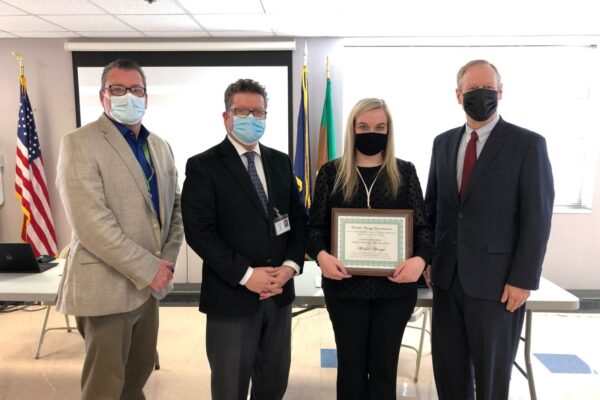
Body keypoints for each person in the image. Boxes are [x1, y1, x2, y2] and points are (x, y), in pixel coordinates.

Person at [424, 59, 554, 400]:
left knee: (492, 382)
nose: (480, 95)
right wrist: (427, 260)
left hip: (498, 287)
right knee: (449, 376)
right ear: (458, 95)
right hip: (447, 281)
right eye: (472, 90)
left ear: (500, 92)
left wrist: (524, 279)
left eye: (487, 89)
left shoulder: (528, 145)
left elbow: (537, 218)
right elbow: (433, 208)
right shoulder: (443, 143)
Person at [55, 58, 184, 399]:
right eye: (118, 89)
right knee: (105, 387)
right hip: (106, 289)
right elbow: (91, 225)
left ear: (147, 96)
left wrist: (165, 263)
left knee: (136, 380)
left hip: (150, 287)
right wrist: (148, 268)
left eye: (136, 89)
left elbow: (175, 210)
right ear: (103, 97)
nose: (129, 96)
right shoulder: (80, 143)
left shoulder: (160, 146)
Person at [181, 78, 307, 400]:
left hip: (279, 296)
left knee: (273, 385)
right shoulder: (203, 166)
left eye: (258, 112)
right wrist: (247, 275)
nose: (251, 118)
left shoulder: (280, 162)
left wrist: (290, 267)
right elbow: (200, 233)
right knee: (229, 389)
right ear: (226, 116)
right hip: (232, 299)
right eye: (242, 111)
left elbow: (299, 220)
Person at [307, 98, 433, 400]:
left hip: (395, 290)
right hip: (344, 288)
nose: (371, 132)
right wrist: (322, 256)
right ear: (352, 129)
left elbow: (424, 228)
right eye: (363, 126)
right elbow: (313, 228)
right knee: (350, 368)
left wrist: (421, 259)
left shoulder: (405, 172)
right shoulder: (331, 173)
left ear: (389, 131)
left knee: (384, 369)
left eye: (379, 126)